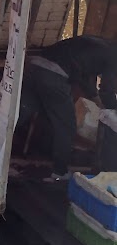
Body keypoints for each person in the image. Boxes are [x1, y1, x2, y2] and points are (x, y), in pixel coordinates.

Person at [18, 35, 117, 182]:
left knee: (21, 114)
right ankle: (60, 172)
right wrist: (113, 110)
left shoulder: (99, 45)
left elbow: (83, 77)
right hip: (53, 75)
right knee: (66, 126)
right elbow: (106, 89)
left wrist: (95, 98)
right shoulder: (113, 55)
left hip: (34, 66)